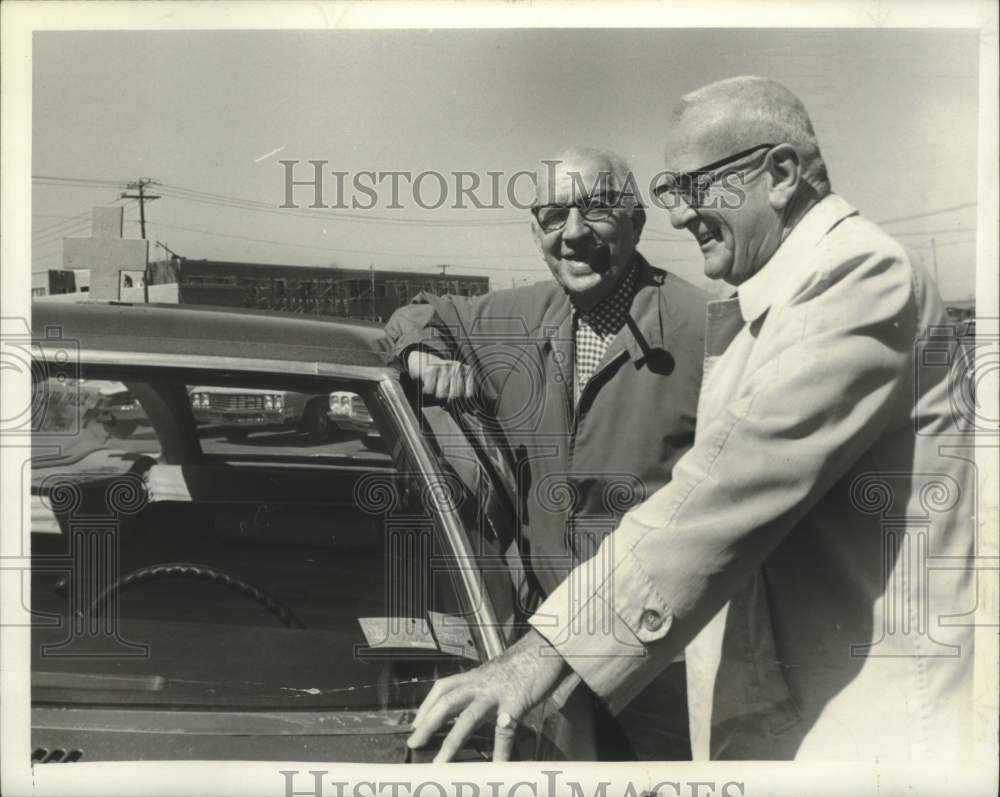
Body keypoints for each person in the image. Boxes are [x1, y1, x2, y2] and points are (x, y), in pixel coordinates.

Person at [406, 76, 975, 763]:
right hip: (794, 711)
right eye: (673, 191)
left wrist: (540, 650)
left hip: (868, 738)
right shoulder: (774, 296)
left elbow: (721, 493)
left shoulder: (859, 278)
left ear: (782, 174)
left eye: (695, 187)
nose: (681, 215)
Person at [384, 147, 709, 759]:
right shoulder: (514, 317)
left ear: (638, 223)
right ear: (536, 231)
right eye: (554, 214)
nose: (575, 233)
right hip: (545, 658)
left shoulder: (704, 327)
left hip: (664, 661)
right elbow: (419, 313)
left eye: (598, 211)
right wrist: (423, 354)